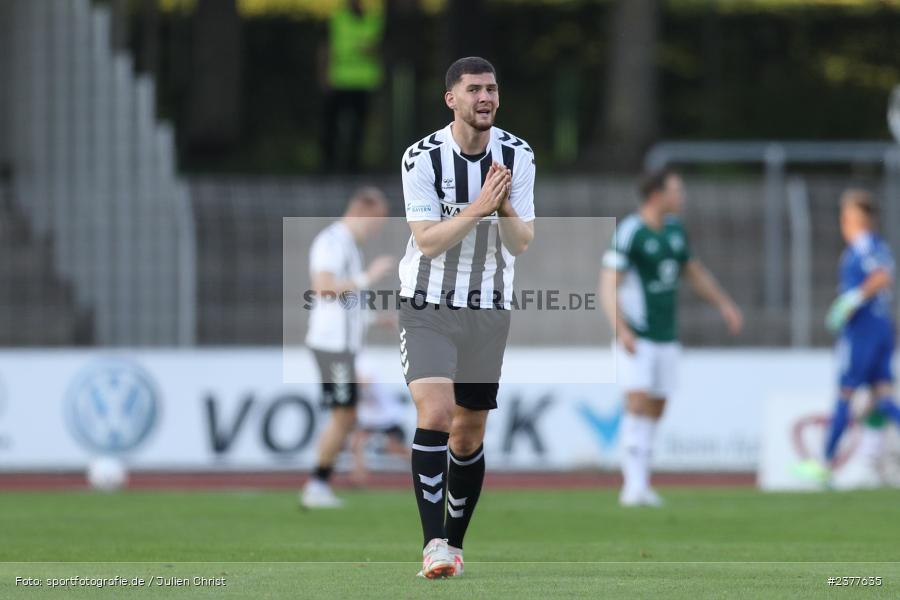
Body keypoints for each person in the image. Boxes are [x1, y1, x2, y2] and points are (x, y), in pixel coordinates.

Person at [398, 56, 535, 579]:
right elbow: (426, 242)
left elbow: (521, 243)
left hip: (489, 307)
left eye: (493, 89)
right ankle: (432, 543)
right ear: (450, 99)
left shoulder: (517, 155)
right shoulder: (422, 159)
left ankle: (453, 546)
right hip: (428, 304)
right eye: (474, 89)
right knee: (436, 414)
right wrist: (479, 205)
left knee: (469, 433)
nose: (486, 98)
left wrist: (502, 209)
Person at [600, 169, 743, 507]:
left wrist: (724, 304)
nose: (682, 197)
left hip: (667, 335)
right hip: (638, 335)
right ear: (656, 195)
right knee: (636, 402)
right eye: (676, 191)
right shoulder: (631, 232)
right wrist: (621, 330)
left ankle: (643, 482)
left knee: (657, 406)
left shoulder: (676, 231)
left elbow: (693, 272)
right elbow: (608, 284)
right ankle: (632, 486)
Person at [300, 188, 394, 508]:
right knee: (344, 415)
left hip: (342, 345)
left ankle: (319, 482)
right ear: (362, 211)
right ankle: (316, 484)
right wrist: (367, 278)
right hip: (332, 345)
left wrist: (375, 319)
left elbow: (345, 302)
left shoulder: (348, 247)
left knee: (345, 414)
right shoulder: (332, 242)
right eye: (376, 221)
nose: (376, 229)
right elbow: (324, 288)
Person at [802, 190, 900, 483]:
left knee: (845, 393)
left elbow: (883, 277)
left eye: (848, 213)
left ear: (860, 218)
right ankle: (868, 466)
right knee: (882, 396)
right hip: (881, 328)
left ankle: (824, 463)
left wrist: (850, 300)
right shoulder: (878, 245)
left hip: (864, 331)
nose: (843, 220)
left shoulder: (864, 246)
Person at [319, 0, 385, 172]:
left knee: (359, 128)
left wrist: (374, 51)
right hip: (339, 80)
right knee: (331, 126)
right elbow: (326, 47)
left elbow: (381, 48)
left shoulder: (374, 19)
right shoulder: (337, 18)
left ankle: (352, 166)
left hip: (364, 81)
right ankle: (328, 164)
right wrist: (324, 75)